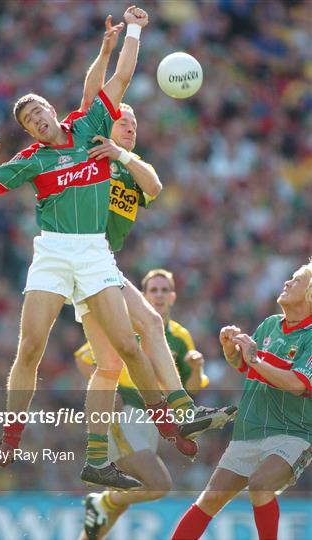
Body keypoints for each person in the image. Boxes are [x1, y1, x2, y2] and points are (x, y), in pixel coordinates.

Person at [0, 6, 190, 490]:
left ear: (52, 108)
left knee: (130, 346)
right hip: (52, 252)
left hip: (93, 253)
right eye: (28, 120)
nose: (37, 120)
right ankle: (10, 435)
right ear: (28, 131)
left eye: (39, 111)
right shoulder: (30, 160)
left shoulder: (89, 127)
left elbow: (124, 76)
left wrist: (133, 29)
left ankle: (165, 420)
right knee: (29, 348)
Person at [73, 18, 238, 485]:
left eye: (132, 125)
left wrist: (124, 155)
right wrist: (123, 40)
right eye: (121, 121)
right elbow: (95, 94)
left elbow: (156, 185)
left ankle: (98, 457)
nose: (127, 127)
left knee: (109, 364)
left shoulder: (130, 166)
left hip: (96, 264)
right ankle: (180, 411)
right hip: (82, 257)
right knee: (143, 324)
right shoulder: (90, 148)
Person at [76, 269, 236, 540]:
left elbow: (191, 388)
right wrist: (106, 386)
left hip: (153, 423)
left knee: (122, 499)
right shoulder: (125, 324)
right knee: (159, 484)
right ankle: (101, 502)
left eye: (164, 290)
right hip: (128, 413)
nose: (159, 295)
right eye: (153, 290)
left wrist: (196, 370)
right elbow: (83, 357)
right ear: (142, 295)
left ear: (172, 297)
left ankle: (99, 509)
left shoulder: (180, 336)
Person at [172, 260, 312, 540]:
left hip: (292, 435)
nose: (287, 283)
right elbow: (243, 365)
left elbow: (298, 384)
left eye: (296, 280)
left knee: (260, 486)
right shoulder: (270, 325)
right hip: (248, 431)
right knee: (208, 500)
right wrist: (230, 349)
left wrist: (255, 359)